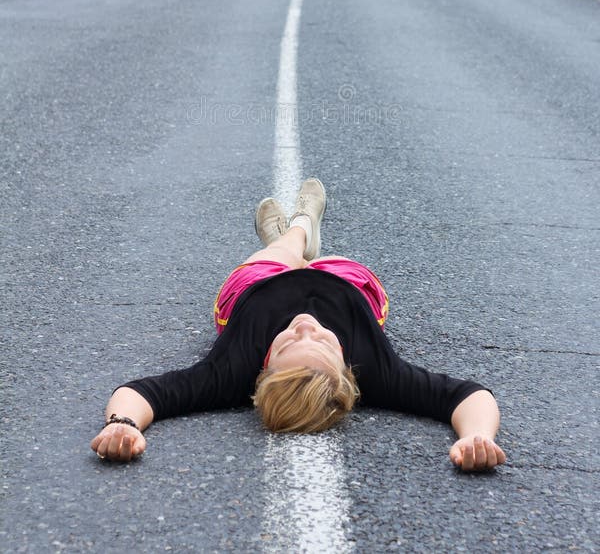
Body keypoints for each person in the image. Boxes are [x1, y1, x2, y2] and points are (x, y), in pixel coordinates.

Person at [91, 179, 507, 472]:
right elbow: (468, 396)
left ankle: (291, 234)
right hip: (346, 285)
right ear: (347, 366)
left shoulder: (232, 369)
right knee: (324, 262)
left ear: (263, 368)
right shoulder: (376, 370)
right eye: (324, 342)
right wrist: (476, 437)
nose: (306, 326)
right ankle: (302, 230)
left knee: (274, 255)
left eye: (288, 342)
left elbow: (142, 393)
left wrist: (121, 425)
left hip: (257, 287)